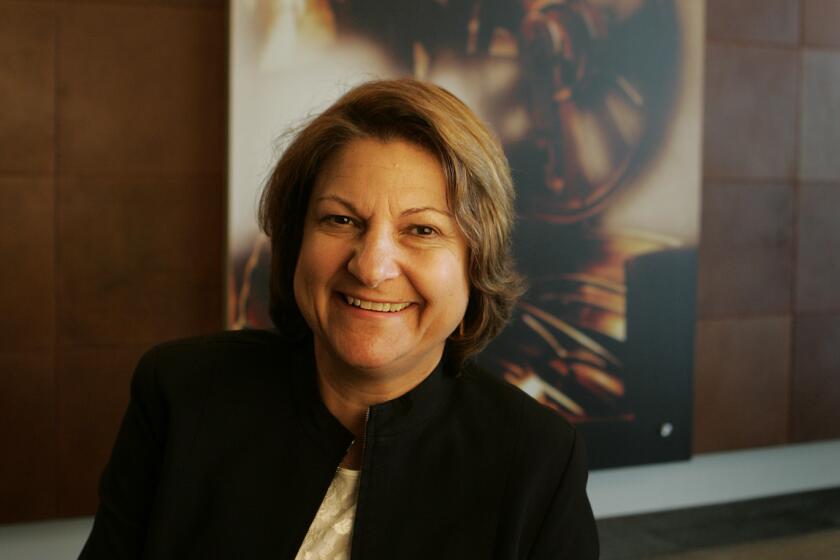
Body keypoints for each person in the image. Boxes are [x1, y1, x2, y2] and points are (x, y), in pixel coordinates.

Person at [79, 78, 599, 559]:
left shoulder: (538, 459)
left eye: (421, 230)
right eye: (341, 219)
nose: (371, 267)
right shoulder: (180, 393)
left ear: (476, 263)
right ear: (296, 241)